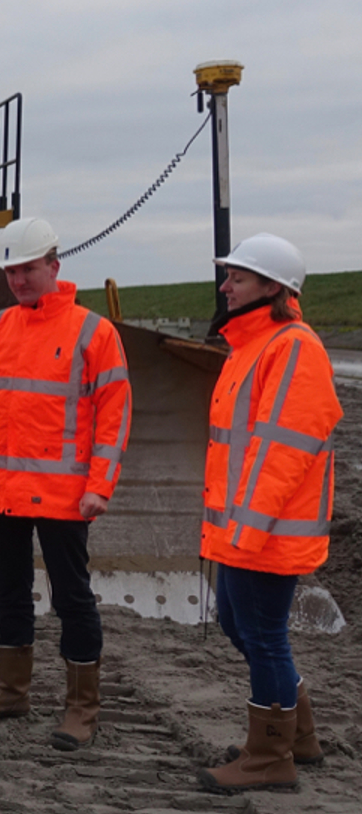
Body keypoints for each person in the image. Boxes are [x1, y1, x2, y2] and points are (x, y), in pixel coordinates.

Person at [0, 217, 131, 751]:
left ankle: (81, 707)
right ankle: (11, 689)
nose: (19, 281)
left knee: (72, 598)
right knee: (10, 592)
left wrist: (101, 485)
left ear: (54, 264)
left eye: (27, 269)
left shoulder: (95, 333)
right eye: (10, 272)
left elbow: (113, 419)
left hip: (65, 497)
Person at [195, 233, 342, 794]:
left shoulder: (293, 346)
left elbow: (280, 452)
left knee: (262, 635)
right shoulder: (253, 346)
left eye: (238, 278)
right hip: (246, 528)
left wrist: (248, 532)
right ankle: (296, 732)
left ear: (272, 289)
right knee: (243, 626)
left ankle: (268, 756)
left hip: (265, 532)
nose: (225, 287)